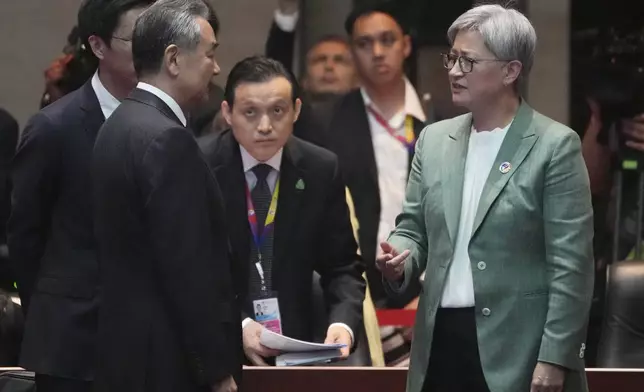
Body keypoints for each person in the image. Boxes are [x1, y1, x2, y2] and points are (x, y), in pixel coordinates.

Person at [377, 4, 594, 392]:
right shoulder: (434, 140)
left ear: (511, 71)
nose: (454, 71)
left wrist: (555, 356)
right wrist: (397, 258)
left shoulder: (554, 146)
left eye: (469, 61)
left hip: (518, 348)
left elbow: (572, 266)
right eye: (453, 58)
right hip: (439, 341)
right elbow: (413, 229)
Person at [91, 1, 239, 391]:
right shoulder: (166, 138)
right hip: (166, 365)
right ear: (174, 59)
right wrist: (216, 371)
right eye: (210, 53)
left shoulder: (119, 123)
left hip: (124, 356)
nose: (216, 67)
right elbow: (186, 269)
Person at [7, 1, 153, 391]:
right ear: (98, 46)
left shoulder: (170, 122)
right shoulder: (54, 128)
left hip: (152, 345)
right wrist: (53, 311)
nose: (154, 48)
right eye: (138, 37)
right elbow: (26, 238)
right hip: (73, 345)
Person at [199, 56, 366, 366]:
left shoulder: (320, 169)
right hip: (213, 346)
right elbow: (188, 270)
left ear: (296, 111)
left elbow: (342, 266)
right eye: (250, 112)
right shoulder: (199, 165)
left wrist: (341, 324)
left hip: (294, 349)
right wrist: (241, 325)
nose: (265, 126)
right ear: (228, 113)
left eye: (277, 111)